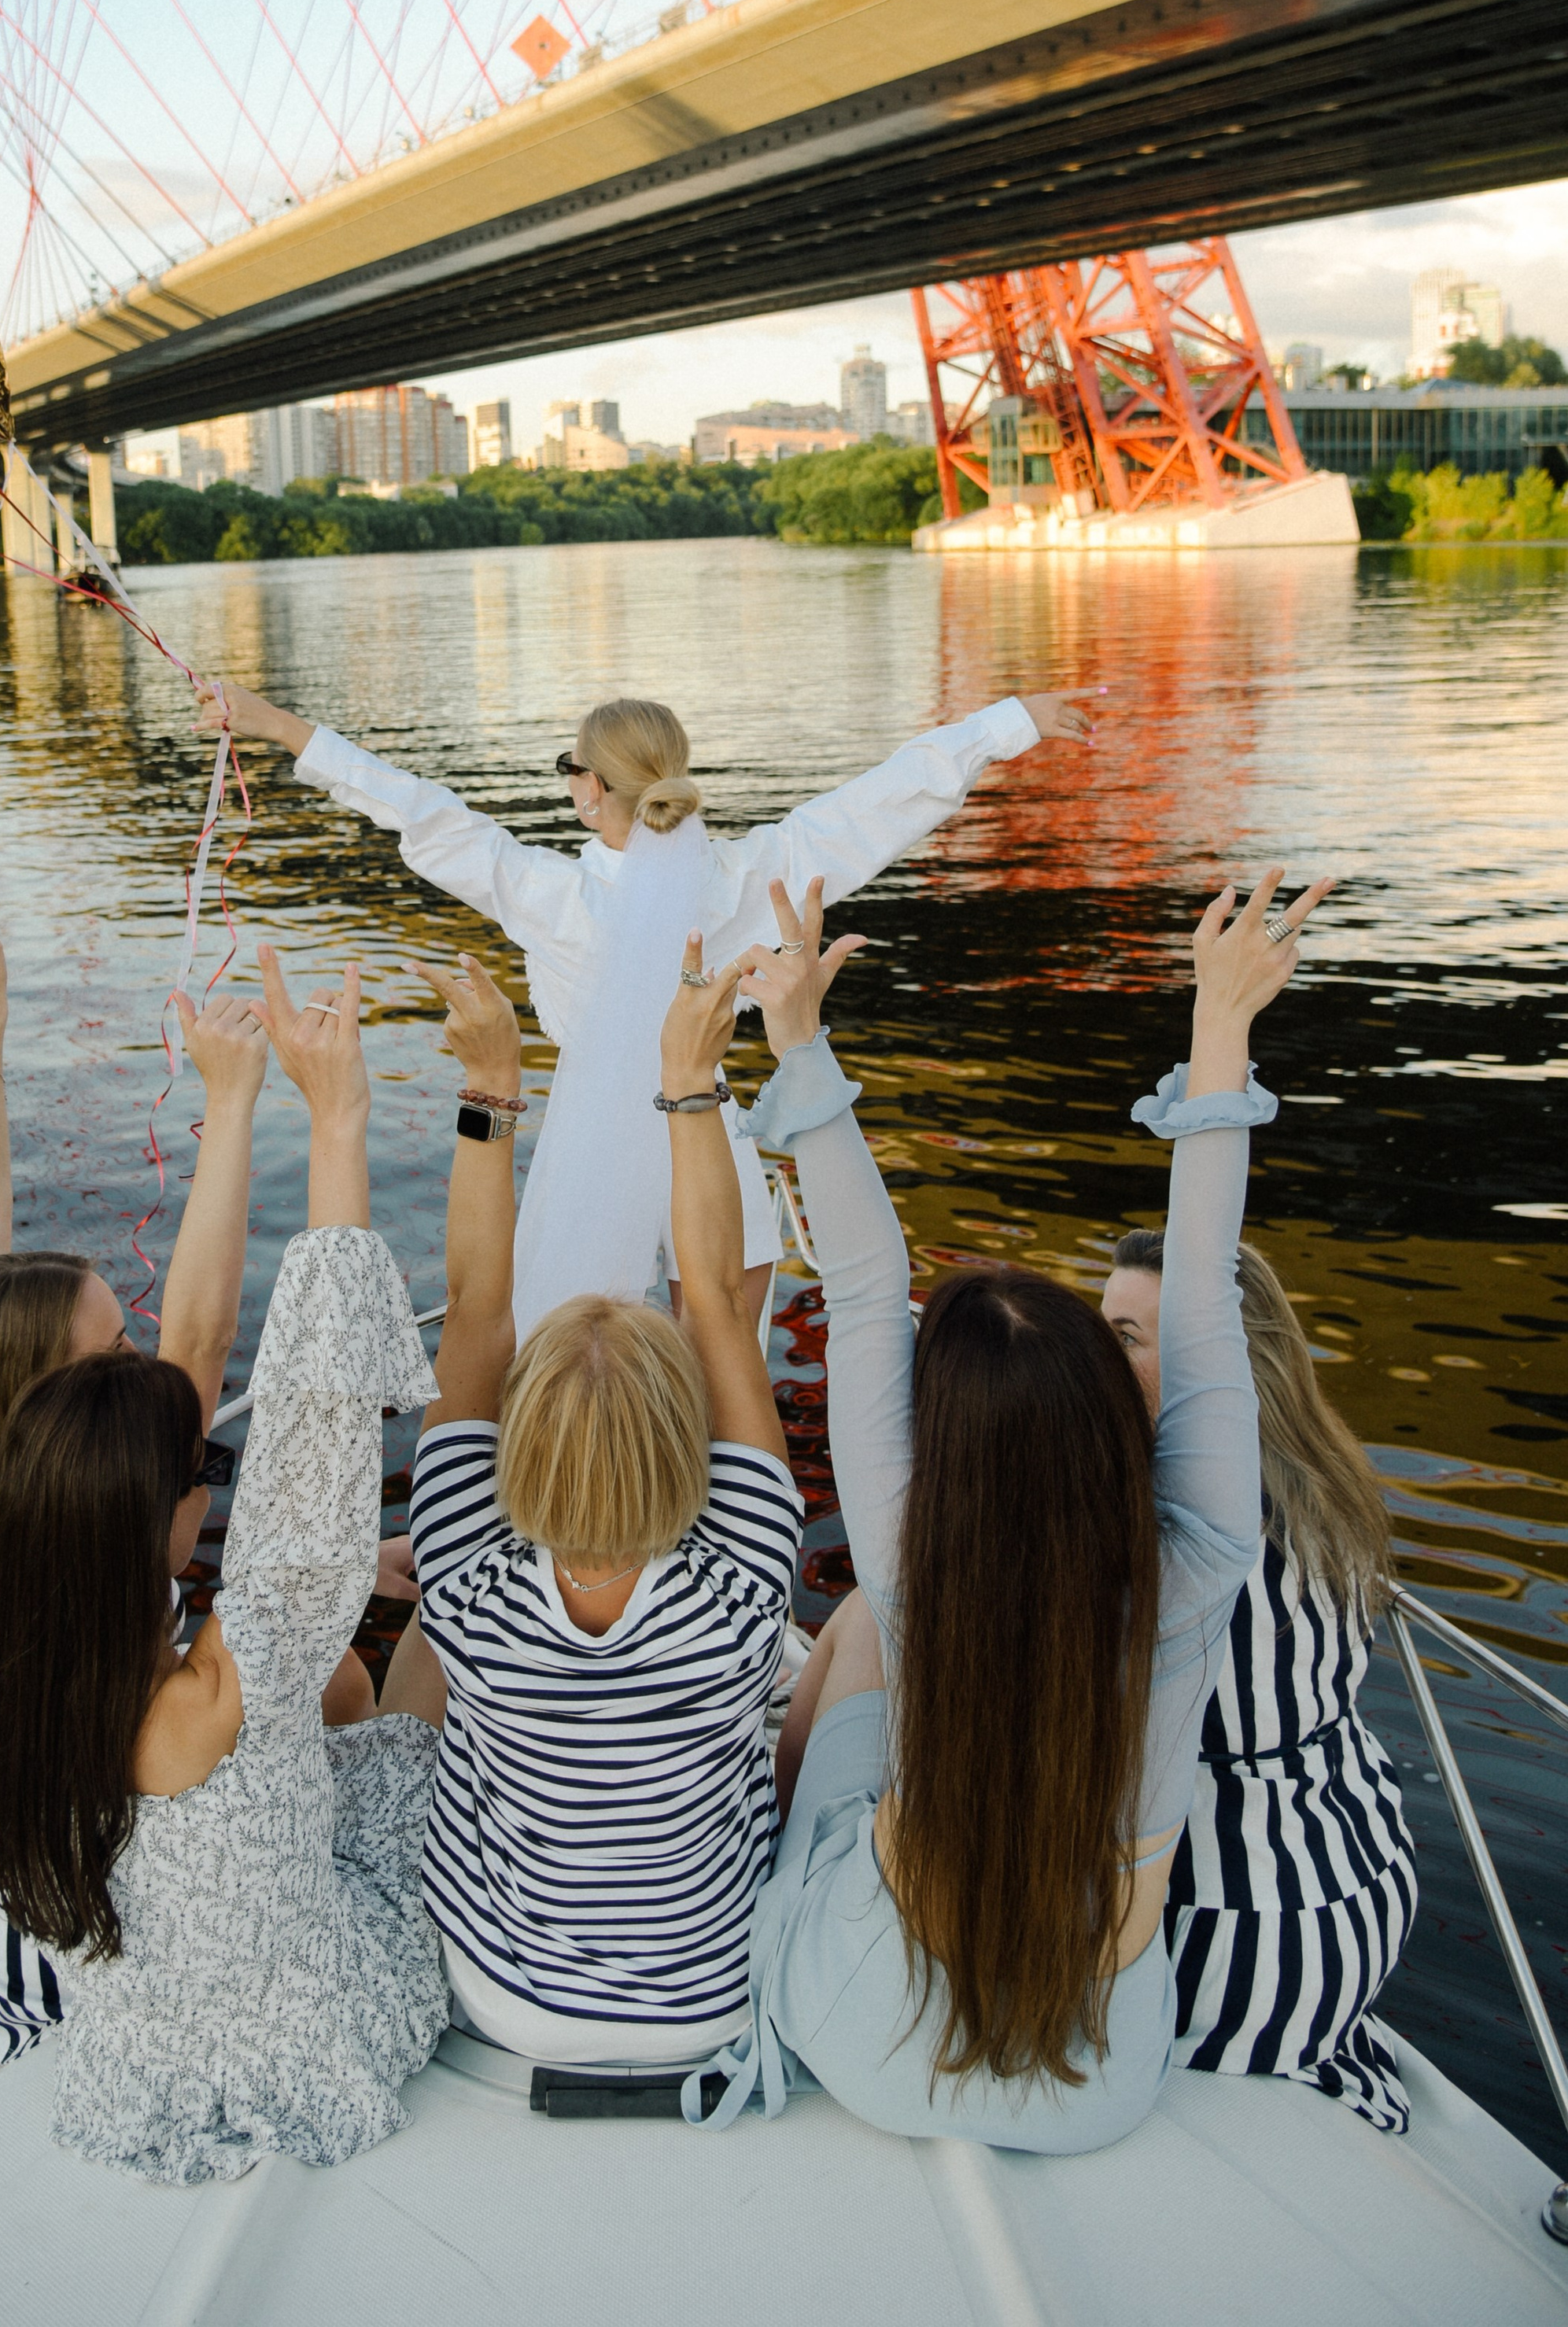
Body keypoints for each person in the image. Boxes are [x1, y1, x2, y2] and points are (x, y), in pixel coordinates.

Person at [698, 864, 1332, 2146]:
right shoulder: (1200, 1556)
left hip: (870, 2039)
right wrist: (1219, 1026)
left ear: (949, 1448)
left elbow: (869, 1287)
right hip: (1095, 2079)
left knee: (864, 1637)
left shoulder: (905, 1546)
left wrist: (801, 1038)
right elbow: (1202, 1290)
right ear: (1109, 1418)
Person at [0, 955, 448, 2181]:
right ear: (155, 1520)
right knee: (415, 1704)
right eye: (201, 1477)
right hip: (311, 2044)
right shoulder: (234, 1676)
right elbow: (322, 1419)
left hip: (136, 2059)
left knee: (340, 1701)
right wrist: (339, 1118)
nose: (214, 1483)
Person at [199, 676, 1095, 1333]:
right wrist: (1007, 723)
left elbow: (424, 815)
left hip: (593, 1165)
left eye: (569, 770)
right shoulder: (745, 879)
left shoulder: (551, 896)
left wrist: (274, 724)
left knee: (588, 1374)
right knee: (725, 1382)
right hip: (716, 1163)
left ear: (591, 789)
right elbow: (878, 805)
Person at [0, 901, 369, 2057]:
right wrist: (243, 1100)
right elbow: (203, 1337)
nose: (144, 1365)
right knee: (348, 1685)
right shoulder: (120, 1521)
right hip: (81, 1984)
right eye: (112, 1356)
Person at [399, 916, 830, 2069]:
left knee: (416, 1671)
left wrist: (494, 1086)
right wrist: (689, 1087)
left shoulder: (462, 1570)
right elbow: (716, 1309)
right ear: (680, 1443)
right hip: (713, 1997)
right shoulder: (746, 1576)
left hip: (506, 1997)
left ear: (520, 1448)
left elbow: (477, 1302)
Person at [1104, 1229, 1417, 2128]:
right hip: (1361, 1882)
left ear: (1213, 1364)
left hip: (1239, 1938)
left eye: (1125, 1336)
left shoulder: (1183, 1547)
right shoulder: (1323, 1486)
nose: (1098, 1355)